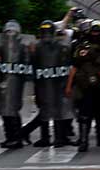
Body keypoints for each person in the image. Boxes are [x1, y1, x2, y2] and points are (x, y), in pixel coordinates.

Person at [66, 20, 100, 152]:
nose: (95, 34)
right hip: (86, 88)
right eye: (93, 31)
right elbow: (74, 68)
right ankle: (84, 141)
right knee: (84, 116)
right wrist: (69, 86)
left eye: (97, 32)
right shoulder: (82, 48)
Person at [30, 20, 74, 148]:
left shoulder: (59, 47)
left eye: (48, 32)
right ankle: (49, 138)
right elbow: (33, 66)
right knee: (46, 110)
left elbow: (67, 65)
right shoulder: (38, 47)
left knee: (56, 110)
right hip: (45, 82)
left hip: (54, 82)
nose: (46, 34)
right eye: (44, 32)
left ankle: (57, 138)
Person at [0, 20, 30, 149]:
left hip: (16, 82)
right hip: (3, 82)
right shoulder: (1, 47)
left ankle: (16, 138)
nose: (10, 33)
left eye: (12, 31)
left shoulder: (22, 47)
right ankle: (10, 137)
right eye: (8, 31)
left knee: (13, 109)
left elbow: (27, 64)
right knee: (5, 110)